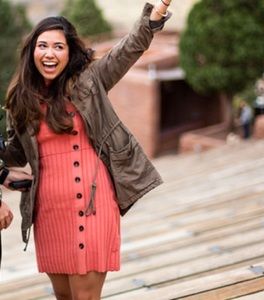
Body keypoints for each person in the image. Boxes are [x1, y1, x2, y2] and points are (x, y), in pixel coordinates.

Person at [0, 1, 172, 299]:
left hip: (91, 202)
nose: (50, 53)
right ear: (32, 52)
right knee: (65, 297)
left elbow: (128, 49)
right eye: (43, 46)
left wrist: (155, 15)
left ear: (69, 53)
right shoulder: (21, 100)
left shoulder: (90, 81)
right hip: (49, 210)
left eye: (58, 47)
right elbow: (15, 153)